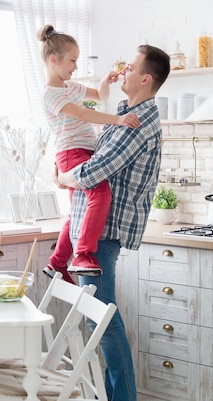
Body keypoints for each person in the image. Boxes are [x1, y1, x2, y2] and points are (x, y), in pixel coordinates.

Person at [56, 44, 171, 401]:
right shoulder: (126, 115)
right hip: (92, 232)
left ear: (146, 78)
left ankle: (122, 398)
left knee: (102, 319)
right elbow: (87, 160)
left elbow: (96, 171)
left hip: (103, 235)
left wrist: (65, 177)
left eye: (131, 67)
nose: (124, 71)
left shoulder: (139, 123)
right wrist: (67, 172)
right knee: (98, 319)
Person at [37, 24, 140, 283]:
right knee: (100, 192)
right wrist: (118, 120)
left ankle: (57, 263)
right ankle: (82, 254)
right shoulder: (51, 95)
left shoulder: (71, 86)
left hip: (82, 152)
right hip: (71, 153)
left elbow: (99, 97)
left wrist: (105, 82)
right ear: (53, 59)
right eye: (72, 60)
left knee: (78, 211)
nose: (75, 66)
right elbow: (83, 113)